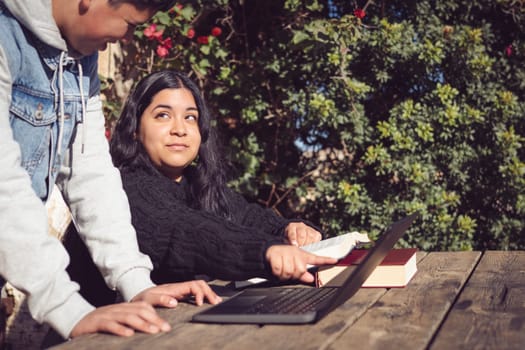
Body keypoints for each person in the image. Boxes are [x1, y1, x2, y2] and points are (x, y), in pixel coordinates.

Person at [0, 0, 221, 343]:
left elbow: (91, 175)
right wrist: (68, 309)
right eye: (130, 24)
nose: (127, 39)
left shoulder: (78, 61)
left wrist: (136, 283)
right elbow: (3, 188)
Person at [109, 70, 337, 284]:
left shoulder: (199, 186)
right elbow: (190, 231)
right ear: (135, 130)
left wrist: (293, 230)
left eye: (190, 117)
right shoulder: (127, 188)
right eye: (163, 115)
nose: (180, 129)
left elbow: (252, 219)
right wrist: (266, 251)